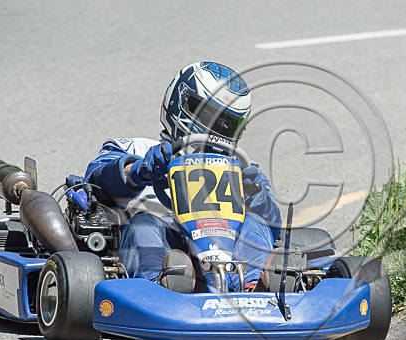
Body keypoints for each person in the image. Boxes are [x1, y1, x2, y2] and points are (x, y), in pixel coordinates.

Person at [84, 62, 281, 292]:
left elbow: (274, 226)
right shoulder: (136, 149)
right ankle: (161, 286)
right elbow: (95, 179)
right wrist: (139, 171)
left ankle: (256, 287)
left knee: (255, 223)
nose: (217, 128)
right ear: (181, 102)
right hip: (166, 244)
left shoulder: (241, 168)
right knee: (144, 224)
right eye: (210, 115)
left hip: (227, 252)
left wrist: (256, 195)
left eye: (229, 124)